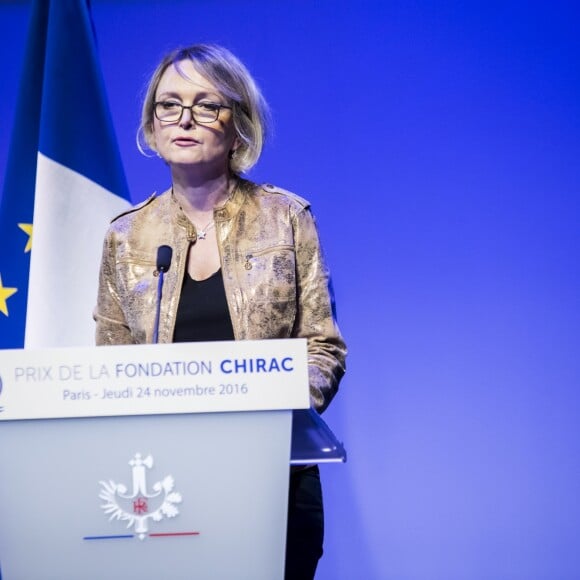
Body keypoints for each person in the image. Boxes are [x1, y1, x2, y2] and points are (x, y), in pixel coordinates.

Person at [94, 43, 346, 579]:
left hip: (274, 474)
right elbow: (110, 368)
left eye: (206, 105)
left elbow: (322, 347)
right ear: (152, 125)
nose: (185, 118)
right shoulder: (125, 236)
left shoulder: (286, 218)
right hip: (166, 479)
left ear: (237, 126)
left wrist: (275, 409)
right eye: (169, 105)